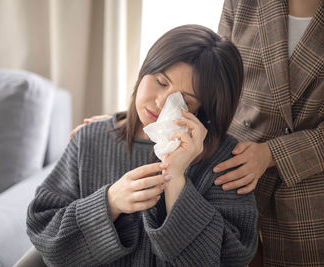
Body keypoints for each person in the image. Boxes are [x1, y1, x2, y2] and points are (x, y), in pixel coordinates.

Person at [26, 24, 258, 266]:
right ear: (144, 69)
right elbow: (45, 234)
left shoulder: (227, 163)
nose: (160, 102)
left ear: (204, 110)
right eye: (160, 81)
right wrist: (109, 203)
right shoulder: (89, 139)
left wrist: (176, 182)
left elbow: (230, 260)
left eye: (184, 101)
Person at [214, 0, 324, 265]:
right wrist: (137, 119)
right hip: (231, 178)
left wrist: (271, 154)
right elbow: (214, 79)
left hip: (309, 196)